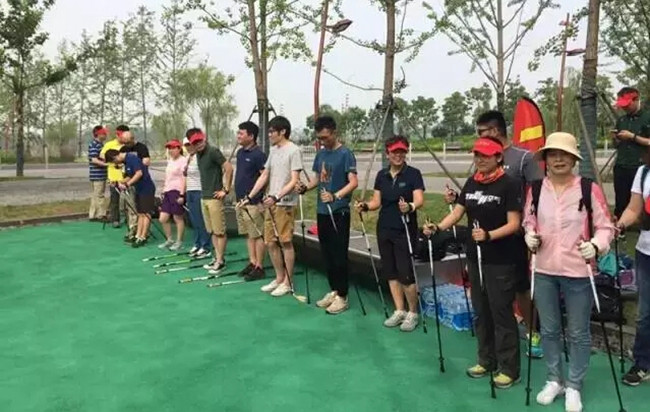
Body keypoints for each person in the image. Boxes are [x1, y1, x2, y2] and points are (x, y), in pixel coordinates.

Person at [522, 132, 615, 410]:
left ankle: (574, 384)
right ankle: (554, 379)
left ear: (574, 159)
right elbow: (529, 220)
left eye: (565, 155)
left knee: (578, 332)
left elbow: (605, 227)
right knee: (549, 329)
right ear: (546, 160)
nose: (559, 159)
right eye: (553, 154)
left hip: (578, 271)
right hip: (543, 269)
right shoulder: (536, 189)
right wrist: (529, 235)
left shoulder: (588, 188)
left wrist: (596, 245)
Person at [445, 110, 545, 358]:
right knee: (488, 298)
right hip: (484, 244)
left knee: (521, 287)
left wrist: (531, 227)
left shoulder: (523, 158)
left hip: (517, 236)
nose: (480, 139)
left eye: (483, 132)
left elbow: (539, 193)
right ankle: (490, 349)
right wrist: (457, 201)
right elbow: (476, 195)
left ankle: (533, 331)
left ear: (496, 131)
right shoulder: (481, 157)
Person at [425, 137, 522, 388]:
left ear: (498, 157)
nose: (480, 159)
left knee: (501, 312)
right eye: (477, 155)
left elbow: (514, 224)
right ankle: (486, 360)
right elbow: (458, 213)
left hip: (500, 259)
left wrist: (489, 235)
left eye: (486, 155)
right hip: (475, 257)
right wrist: (437, 227)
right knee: (481, 310)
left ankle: (509, 368)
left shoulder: (509, 184)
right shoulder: (471, 182)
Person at [355, 135, 424, 330]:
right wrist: (365, 206)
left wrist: (410, 206)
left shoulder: (413, 174)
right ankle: (399, 310)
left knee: (405, 274)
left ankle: (412, 312)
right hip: (384, 228)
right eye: (394, 152)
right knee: (391, 271)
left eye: (402, 151)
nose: (398, 155)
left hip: (404, 229)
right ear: (387, 154)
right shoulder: (381, 175)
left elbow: (419, 200)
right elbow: (376, 202)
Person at [298, 116, 358, 314]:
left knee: (339, 254)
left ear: (334, 133)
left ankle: (343, 295)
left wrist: (336, 195)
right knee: (327, 254)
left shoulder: (345, 154)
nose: (322, 141)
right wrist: (305, 187)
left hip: (339, 211)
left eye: (325, 137)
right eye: (319, 138)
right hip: (322, 211)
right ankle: (334, 290)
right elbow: (317, 179)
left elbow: (353, 182)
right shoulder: (321, 154)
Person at [238, 116, 303, 297]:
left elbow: (294, 180)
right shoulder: (273, 151)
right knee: (270, 242)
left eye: (272, 131)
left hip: (284, 203)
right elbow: (264, 175)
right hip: (270, 203)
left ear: (283, 131)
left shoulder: (294, 150)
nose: (269, 135)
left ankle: (288, 282)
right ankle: (279, 278)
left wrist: (277, 196)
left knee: (285, 242)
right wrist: (249, 196)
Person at [617, 145, 650, 387]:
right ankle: (643, 363)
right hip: (646, 251)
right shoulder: (643, 172)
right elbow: (633, 208)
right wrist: (620, 224)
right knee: (645, 313)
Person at [188, 128, 233, 274]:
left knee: (219, 231)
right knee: (212, 231)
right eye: (195, 143)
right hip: (204, 197)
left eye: (200, 141)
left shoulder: (213, 151)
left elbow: (228, 168)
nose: (199, 144)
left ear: (204, 139)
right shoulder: (197, 155)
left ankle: (221, 261)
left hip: (214, 198)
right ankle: (216, 258)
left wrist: (225, 189)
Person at [233, 121, 267, 281]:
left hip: (253, 202)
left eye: (241, 133)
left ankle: (260, 266)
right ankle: (252, 262)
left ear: (251, 136)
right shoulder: (240, 153)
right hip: (240, 201)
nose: (238, 136)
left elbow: (265, 177)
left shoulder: (259, 155)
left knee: (257, 234)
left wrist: (258, 198)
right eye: (238, 133)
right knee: (248, 234)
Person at [104, 148, 157, 248]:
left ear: (115, 157)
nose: (116, 164)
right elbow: (129, 176)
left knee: (146, 213)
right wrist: (118, 182)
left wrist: (127, 184)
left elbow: (139, 173)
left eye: (114, 161)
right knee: (140, 213)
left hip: (147, 188)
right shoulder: (126, 162)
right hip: (139, 189)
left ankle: (143, 237)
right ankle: (138, 235)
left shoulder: (132, 158)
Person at [612, 87, 650, 218]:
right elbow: (616, 145)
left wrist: (633, 137)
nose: (624, 108)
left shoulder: (647, 118)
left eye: (627, 105)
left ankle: (643, 223)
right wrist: (616, 139)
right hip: (621, 165)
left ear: (636, 100)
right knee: (621, 200)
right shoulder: (621, 120)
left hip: (640, 166)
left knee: (641, 199)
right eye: (622, 105)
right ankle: (621, 223)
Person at [182, 138, 211, 259]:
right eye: (186, 145)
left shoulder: (200, 157)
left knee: (201, 220)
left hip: (199, 190)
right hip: (190, 191)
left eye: (190, 144)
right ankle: (197, 243)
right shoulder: (189, 157)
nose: (188, 147)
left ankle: (206, 246)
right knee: (194, 220)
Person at [158, 139, 186, 251]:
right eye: (169, 148)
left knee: (177, 217)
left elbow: (184, 178)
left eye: (173, 148)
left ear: (179, 148)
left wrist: (182, 195)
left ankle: (179, 242)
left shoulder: (183, 161)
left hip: (177, 191)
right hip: (168, 191)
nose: (171, 150)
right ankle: (169, 239)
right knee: (163, 218)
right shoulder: (170, 160)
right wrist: (164, 189)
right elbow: (168, 177)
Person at [100, 125, 130, 229]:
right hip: (114, 176)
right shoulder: (109, 144)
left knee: (128, 199)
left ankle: (129, 218)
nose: (125, 138)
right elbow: (102, 155)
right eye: (123, 136)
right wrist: (113, 159)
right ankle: (115, 219)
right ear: (117, 135)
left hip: (127, 176)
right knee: (114, 199)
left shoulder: (128, 145)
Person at [88, 125, 108, 221]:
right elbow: (94, 160)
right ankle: (101, 215)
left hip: (100, 174)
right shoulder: (94, 145)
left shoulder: (101, 145)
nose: (105, 135)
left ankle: (93, 215)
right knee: (99, 195)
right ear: (98, 134)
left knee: (95, 195)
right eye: (104, 133)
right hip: (97, 174)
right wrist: (107, 165)